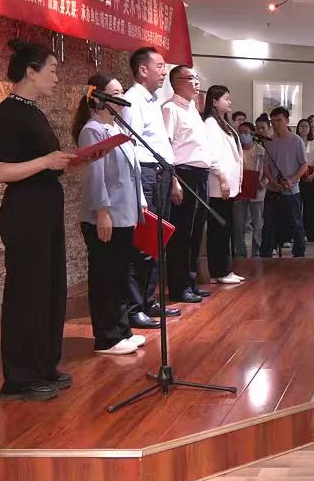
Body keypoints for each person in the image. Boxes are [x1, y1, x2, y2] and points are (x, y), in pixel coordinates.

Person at [0, 39, 73, 402]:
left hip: (46, 209)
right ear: (31, 71)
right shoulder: (8, 112)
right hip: (25, 214)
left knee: (50, 289)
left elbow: (44, 162)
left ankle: (44, 366)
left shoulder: (33, 111)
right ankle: (19, 378)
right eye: (52, 70)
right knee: (26, 293)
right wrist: (45, 162)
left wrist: (66, 162)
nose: (56, 77)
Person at [72, 73, 145, 357]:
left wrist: (140, 203)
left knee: (120, 275)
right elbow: (95, 175)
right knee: (105, 277)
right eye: (115, 93)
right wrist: (102, 211)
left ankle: (122, 330)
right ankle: (106, 337)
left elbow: (132, 173)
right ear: (98, 97)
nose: (122, 98)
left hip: (125, 215)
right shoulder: (93, 130)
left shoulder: (117, 130)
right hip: (106, 216)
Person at [120, 47, 180, 328]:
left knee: (158, 242)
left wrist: (173, 178)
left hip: (161, 174)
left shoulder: (153, 100)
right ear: (142, 70)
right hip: (145, 175)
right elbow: (130, 147)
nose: (164, 72)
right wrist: (138, 192)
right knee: (142, 245)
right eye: (160, 66)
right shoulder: (133, 100)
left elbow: (161, 144)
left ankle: (149, 300)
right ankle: (134, 308)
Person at [161, 66, 213, 304]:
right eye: (191, 78)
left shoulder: (193, 109)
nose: (196, 82)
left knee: (196, 231)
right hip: (183, 174)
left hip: (201, 175)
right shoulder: (170, 109)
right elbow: (166, 147)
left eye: (197, 78)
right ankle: (178, 286)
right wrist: (174, 181)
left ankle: (191, 281)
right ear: (176, 82)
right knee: (182, 233)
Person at [201, 85, 245, 286]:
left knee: (224, 228)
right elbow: (212, 155)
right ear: (214, 101)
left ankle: (222, 269)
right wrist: (223, 178)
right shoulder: (210, 123)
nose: (230, 102)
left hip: (227, 185)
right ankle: (219, 270)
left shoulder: (223, 123)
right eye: (226, 98)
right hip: (219, 185)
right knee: (219, 229)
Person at [259, 107, 309, 258]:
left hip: (291, 190)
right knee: (269, 224)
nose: (276, 124)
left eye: (279, 120)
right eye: (273, 121)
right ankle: (266, 253)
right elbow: (266, 166)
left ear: (287, 120)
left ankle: (299, 254)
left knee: (295, 224)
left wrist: (292, 179)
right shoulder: (269, 141)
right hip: (273, 190)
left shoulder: (296, 141)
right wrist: (272, 181)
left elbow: (304, 164)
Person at [233, 122, 268, 258]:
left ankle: (256, 250)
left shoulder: (261, 151)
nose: (243, 135)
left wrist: (263, 182)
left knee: (258, 223)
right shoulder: (235, 150)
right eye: (240, 132)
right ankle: (240, 251)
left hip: (257, 190)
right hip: (240, 190)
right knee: (238, 223)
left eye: (246, 132)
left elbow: (267, 171)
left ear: (252, 133)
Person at [296, 119, 314, 242]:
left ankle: (312, 233)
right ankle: (296, 234)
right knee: (296, 206)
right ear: (298, 128)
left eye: (306, 126)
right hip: (297, 176)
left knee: (311, 206)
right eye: (302, 126)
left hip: (311, 175)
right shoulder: (295, 142)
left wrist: (313, 174)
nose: (304, 128)